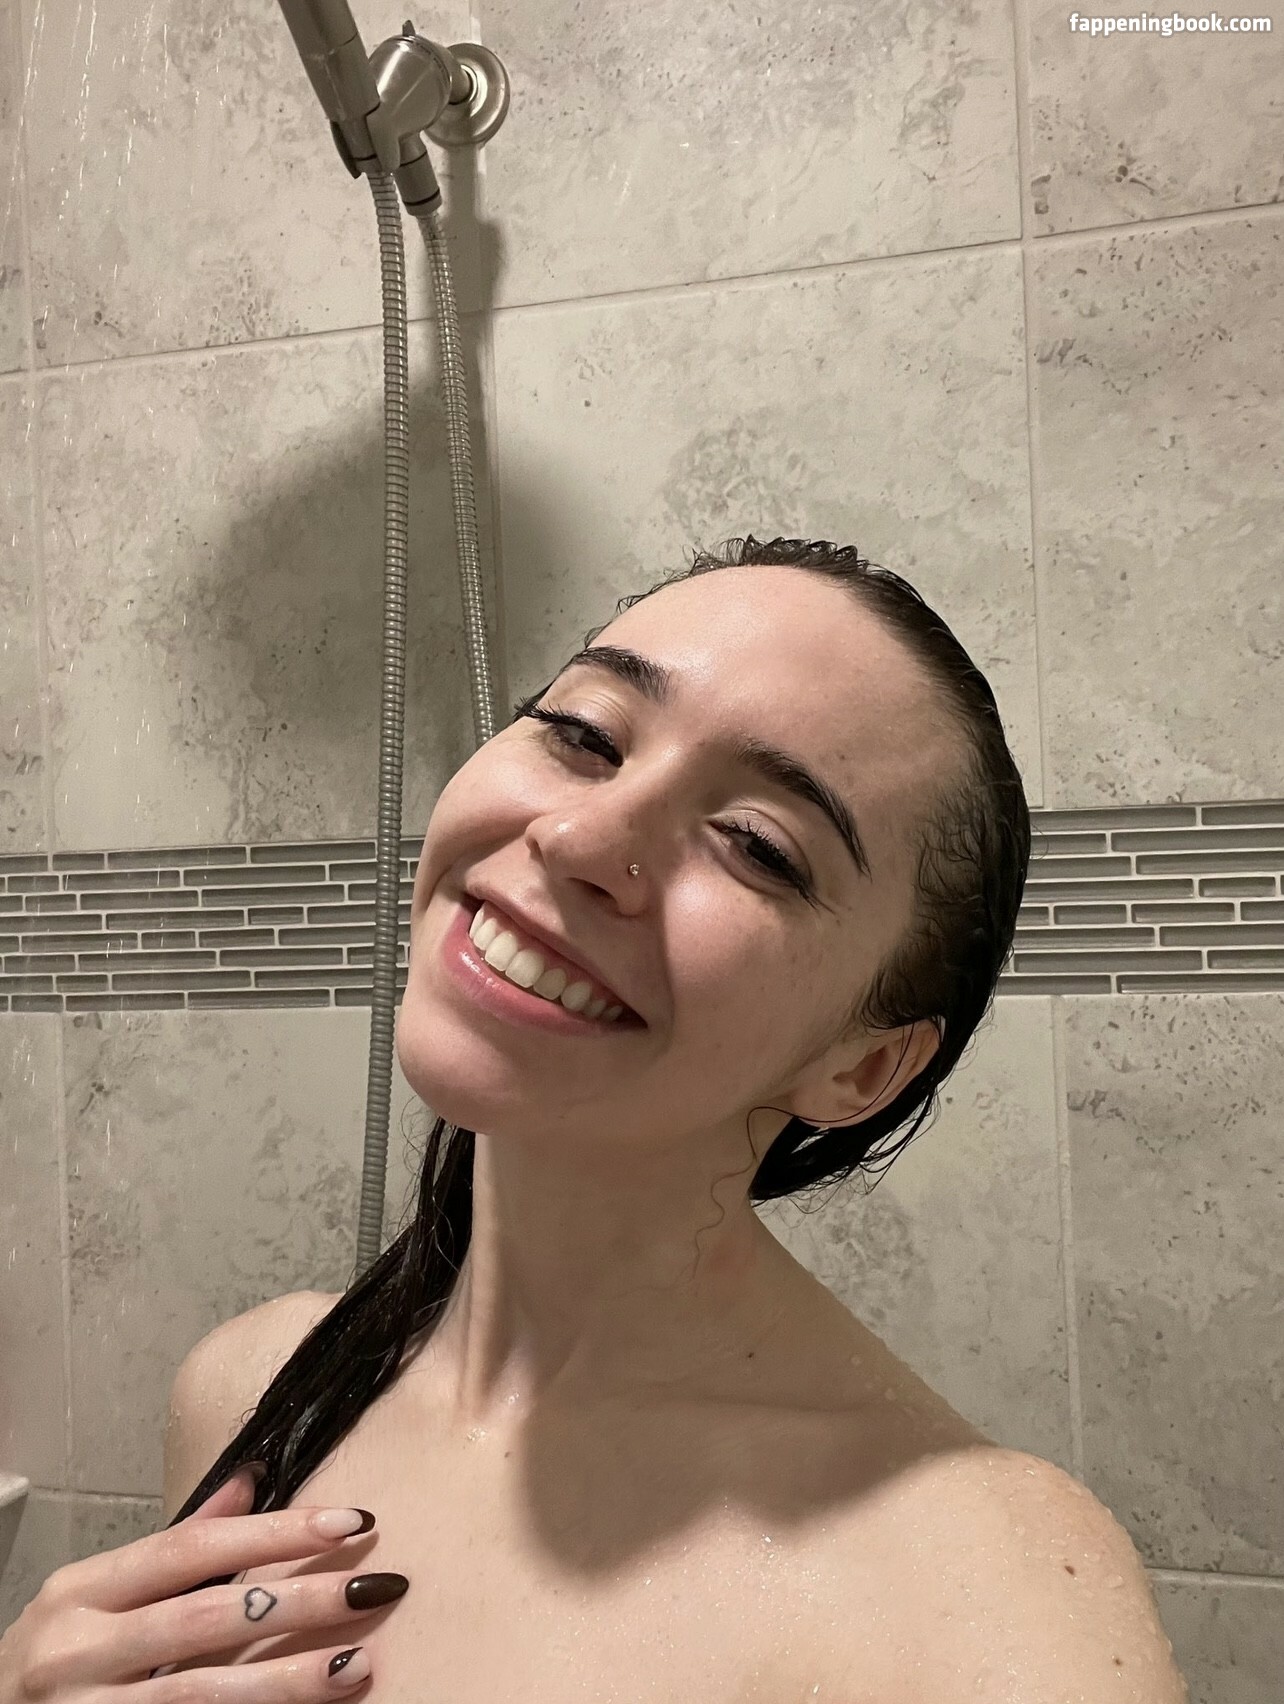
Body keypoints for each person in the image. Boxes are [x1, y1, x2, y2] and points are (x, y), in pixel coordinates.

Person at [1, 537, 1188, 1702]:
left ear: (865, 1066)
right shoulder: (248, 1386)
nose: (577, 839)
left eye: (759, 846)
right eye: (585, 734)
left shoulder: (981, 1590)